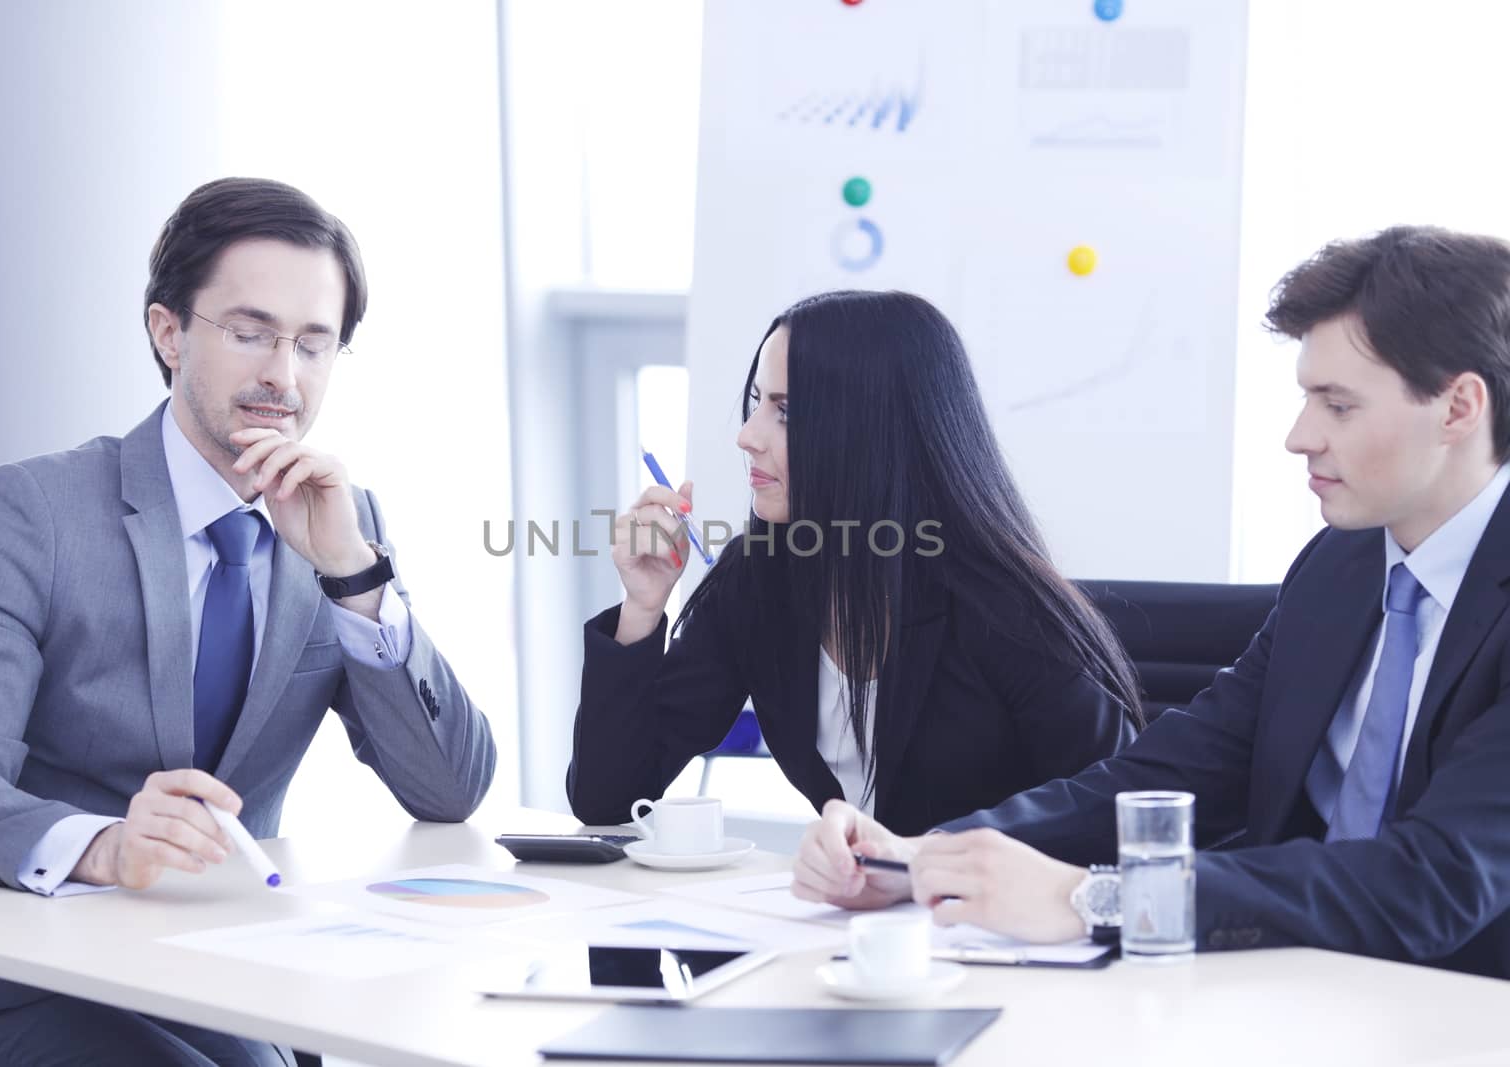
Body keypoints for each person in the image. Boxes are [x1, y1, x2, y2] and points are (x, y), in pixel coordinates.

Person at [792, 226, 1510, 980]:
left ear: (1459, 406)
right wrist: (925, 854)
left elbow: (1434, 879)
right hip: (1292, 990)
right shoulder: (1341, 565)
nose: (1300, 437)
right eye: (1307, 398)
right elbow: (1178, 767)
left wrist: (1097, 896)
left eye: (1338, 405)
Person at [0, 178, 497, 1064]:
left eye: (313, 343)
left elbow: (450, 792)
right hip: (21, 972)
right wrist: (106, 847)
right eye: (251, 332)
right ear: (169, 331)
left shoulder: (343, 522)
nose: (283, 376)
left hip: (220, 971)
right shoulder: (34, 511)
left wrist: (354, 576)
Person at [568, 290, 1141, 836]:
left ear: (869, 432)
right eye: (755, 405)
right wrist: (642, 609)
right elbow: (608, 800)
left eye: (785, 412)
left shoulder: (1002, 606)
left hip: (991, 926)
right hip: (857, 924)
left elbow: (1118, 811)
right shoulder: (759, 577)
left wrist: (929, 860)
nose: (747, 436)